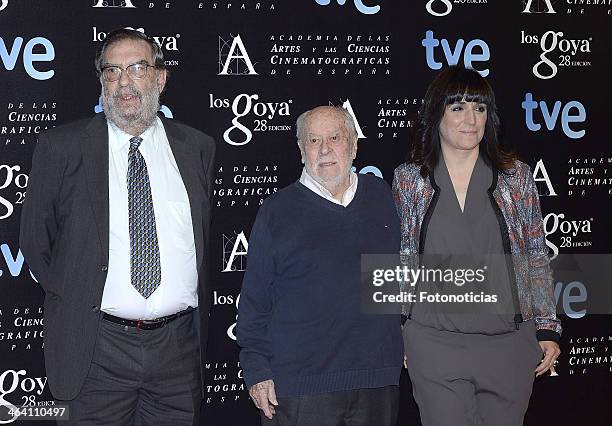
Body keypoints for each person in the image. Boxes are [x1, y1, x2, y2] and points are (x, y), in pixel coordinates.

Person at [20, 28, 215, 424]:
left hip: (177, 353)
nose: (124, 81)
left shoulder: (197, 148)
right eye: (112, 71)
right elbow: (36, 243)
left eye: (137, 68)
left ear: (160, 78)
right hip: (95, 351)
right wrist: (78, 292)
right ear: (102, 82)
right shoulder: (62, 147)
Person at [392, 66, 561, 426]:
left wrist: (547, 327)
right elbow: (402, 256)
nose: (470, 119)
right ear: (436, 114)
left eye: (479, 108)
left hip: (508, 346)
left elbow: (535, 253)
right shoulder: (410, 180)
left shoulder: (516, 177)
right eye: (457, 108)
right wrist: (400, 327)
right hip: (434, 344)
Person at [236, 106, 403, 426]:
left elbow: (397, 280)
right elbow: (254, 302)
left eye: (335, 138)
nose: (324, 149)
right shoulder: (277, 211)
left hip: (376, 383)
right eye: (313, 140)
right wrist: (256, 370)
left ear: (353, 145)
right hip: (299, 389)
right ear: (301, 151)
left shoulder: (381, 197)